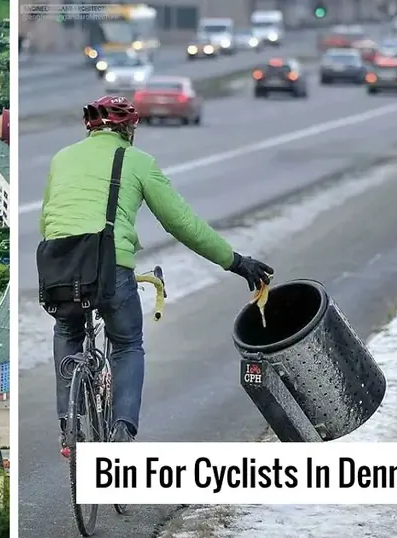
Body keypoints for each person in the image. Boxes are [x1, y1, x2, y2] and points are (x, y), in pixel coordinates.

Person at [39, 95, 274, 455]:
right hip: (110, 266)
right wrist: (236, 262)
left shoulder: (61, 158)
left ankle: (67, 422)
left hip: (59, 266)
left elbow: (46, 222)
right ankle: (122, 431)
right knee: (128, 343)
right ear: (128, 128)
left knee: (67, 329)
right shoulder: (137, 162)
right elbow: (183, 223)